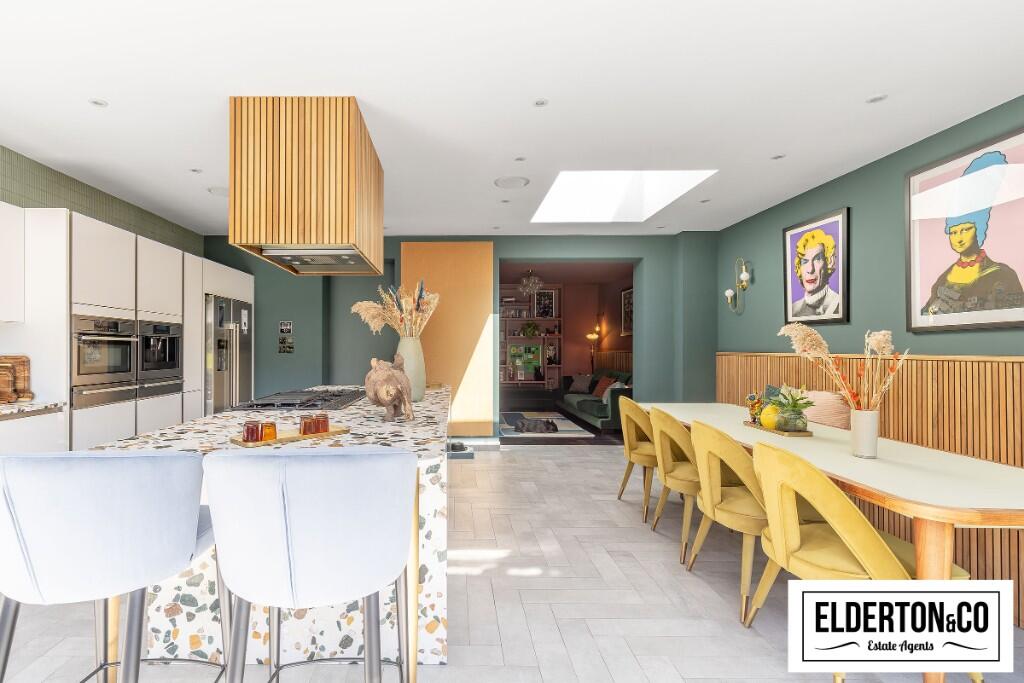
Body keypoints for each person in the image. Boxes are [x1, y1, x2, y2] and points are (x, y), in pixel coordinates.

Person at [922, 150, 1024, 316]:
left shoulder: (1003, 274)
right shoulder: (943, 278)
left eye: (965, 230)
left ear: (978, 229)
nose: (958, 238)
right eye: (953, 232)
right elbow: (927, 314)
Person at [792, 228, 840, 317]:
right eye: (804, 261)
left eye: (817, 259)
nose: (810, 269)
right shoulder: (794, 308)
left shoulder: (838, 304)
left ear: (829, 262)